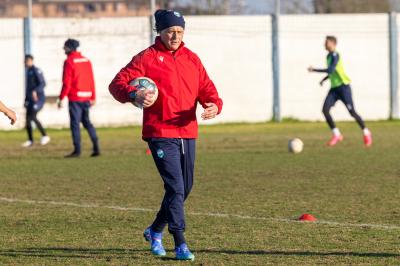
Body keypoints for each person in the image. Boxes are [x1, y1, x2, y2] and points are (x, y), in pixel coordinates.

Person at [109, 9, 223, 261]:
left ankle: (154, 230)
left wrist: (213, 104)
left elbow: (207, 89)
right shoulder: (145, 58)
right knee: (175, 186)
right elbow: (116, 84)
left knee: (184, 188)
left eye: (180, 32)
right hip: (160, 132)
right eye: (170, 31)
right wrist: (132, 94)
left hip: (187, 131)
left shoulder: (192, 58)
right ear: (159, 31)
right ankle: (180, 241)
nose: (175, 36)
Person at [308, 36, 372, 147]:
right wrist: (324, 79)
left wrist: (314, 70)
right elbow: (332, 72)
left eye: (326, 42)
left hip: (343, 87)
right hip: (334, 89)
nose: (324, 44)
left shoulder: (335, 55)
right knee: (325, 110)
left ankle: (366, 132)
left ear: (333, 43)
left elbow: (331, 69)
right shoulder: (328, 56)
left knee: (352, 112)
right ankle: (337, 134)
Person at [58, 39, 100, 158]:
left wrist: (61, 98)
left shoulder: (69, 61)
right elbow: (91, 79)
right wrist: (93, 96)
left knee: (75, 124)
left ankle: (77, 151)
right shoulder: (86, 60)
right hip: (86, 97)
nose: (63, 49)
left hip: (75, 98)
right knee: (87, 123)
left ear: (70, 48)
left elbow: (67, 82)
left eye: (65, 47)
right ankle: (96, 147)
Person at [22, 54, 50, 148]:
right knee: (28, 119)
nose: (25, 63)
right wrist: (25, 100)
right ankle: (30, 140)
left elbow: (43, 83)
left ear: (31, 61)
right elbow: (28, 88)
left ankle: (45, 136)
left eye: (27, 61)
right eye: (24, 61)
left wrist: (35, 91)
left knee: (32, 116)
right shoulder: (28, 71)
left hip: (38, 99)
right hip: (30, 100)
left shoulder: (36, 70)